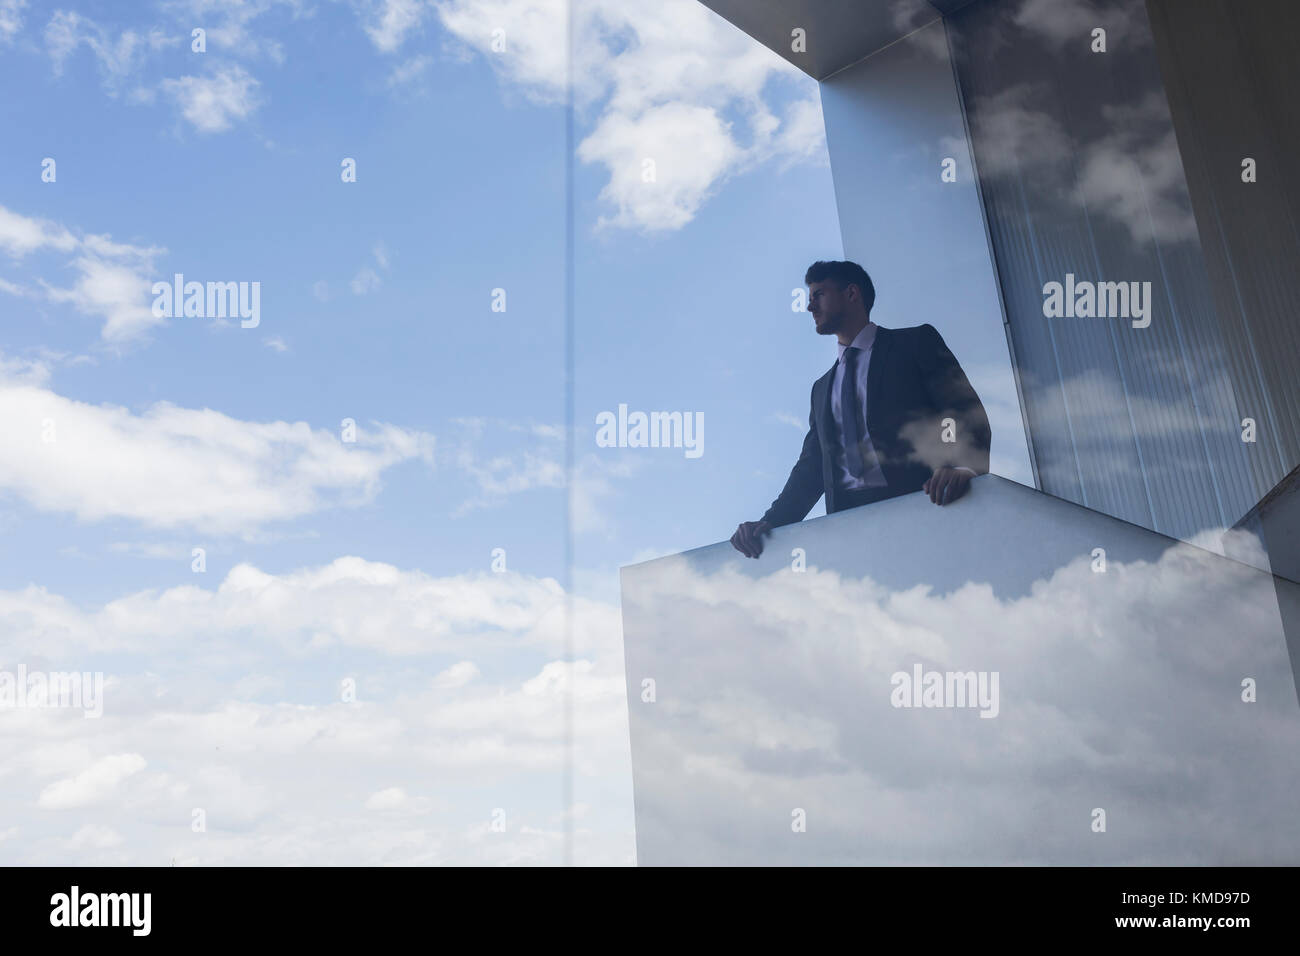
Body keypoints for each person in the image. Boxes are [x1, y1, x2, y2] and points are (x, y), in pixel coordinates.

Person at [731, 260, 991, 559]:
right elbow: (813, 466)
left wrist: (957, 464)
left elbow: (957, 410)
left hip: (925, 507)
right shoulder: (821, 388)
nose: (809, 307)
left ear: (851, 293)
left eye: (818, 295)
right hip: (852, 529)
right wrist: (771, 521)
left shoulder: (915, 343)